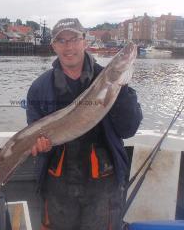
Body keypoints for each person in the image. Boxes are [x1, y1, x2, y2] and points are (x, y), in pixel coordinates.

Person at [26, 18, 143, 230]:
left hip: (103, 181)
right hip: (57, 181)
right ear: (53, 45)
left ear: (84, 42)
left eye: (74, 39)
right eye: (61, 40)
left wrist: (122, 89)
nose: (68, 46)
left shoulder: (109, 81)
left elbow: (129, 129)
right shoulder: (39, 87)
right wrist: (39, 147)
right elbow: (34, 130)